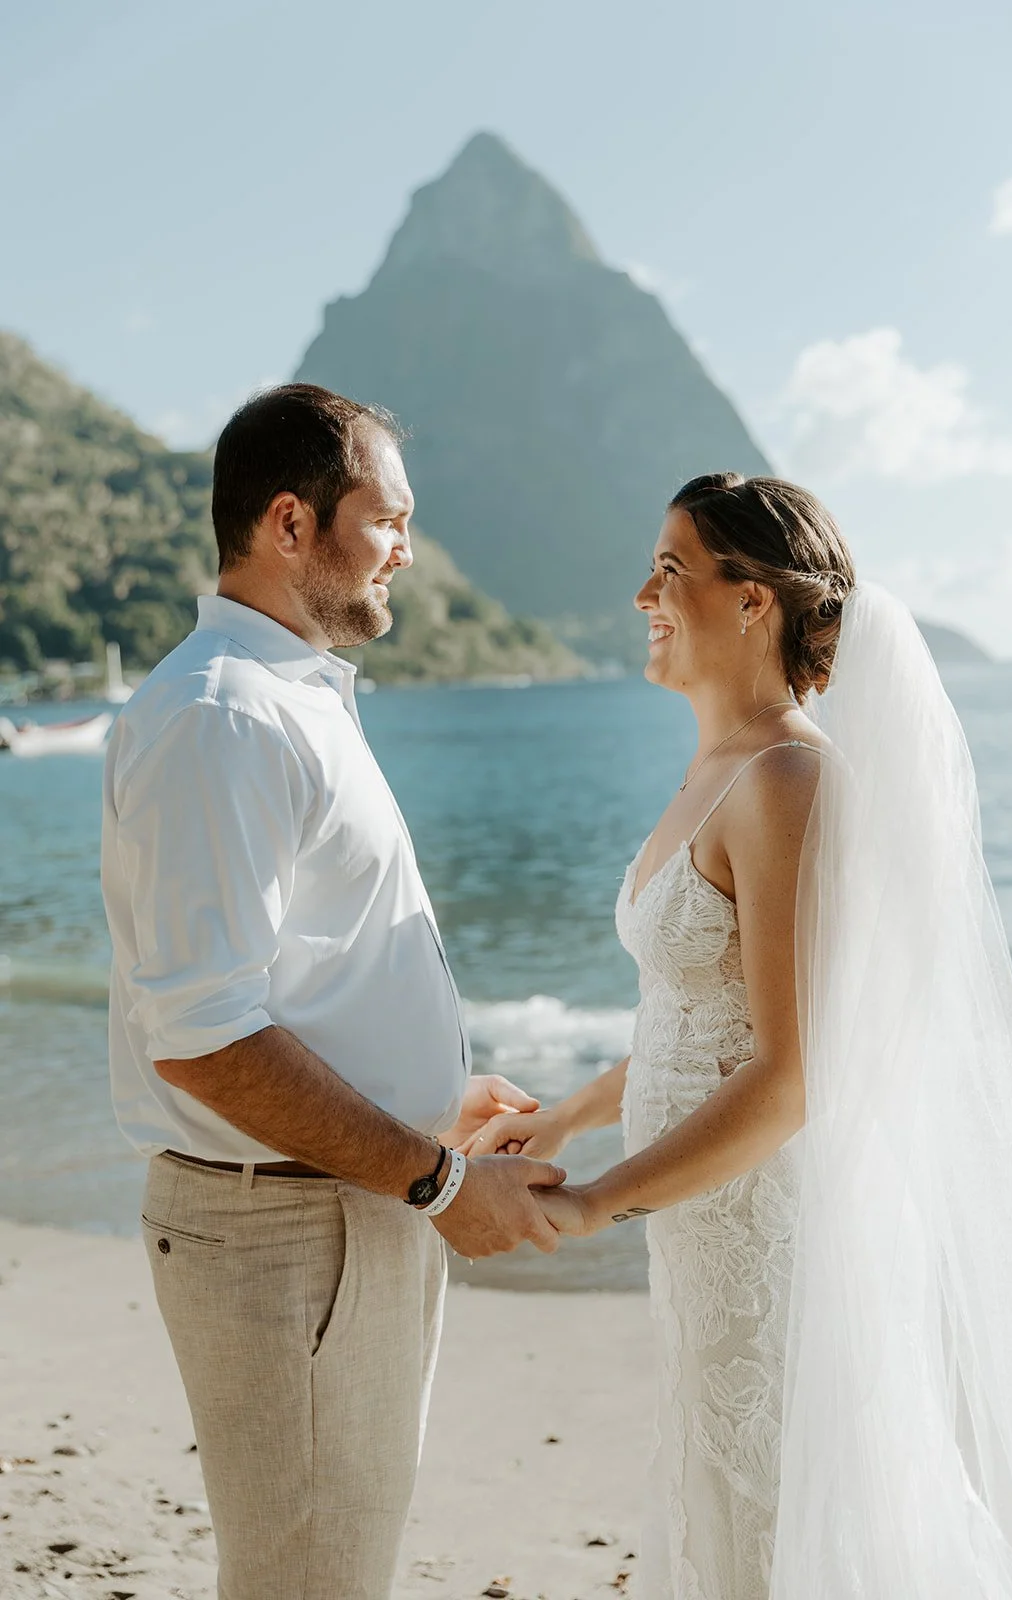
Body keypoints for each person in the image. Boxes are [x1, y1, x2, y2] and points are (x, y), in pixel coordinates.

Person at [469, 473, 1012, 1599]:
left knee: (779, 1518)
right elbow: (695, 1024)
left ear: (752, 602)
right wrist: (566, 1115)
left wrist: (598, 1197)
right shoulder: (710, 771)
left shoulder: (788, 776)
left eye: (670, 567)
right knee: (725, 1502)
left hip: (768, 1231)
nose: (640, 590)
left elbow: (791, 1076)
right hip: (700, 1233)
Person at [100, 383, 566, 1600]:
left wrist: (425, 1104)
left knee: (332, 1566)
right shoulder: (222, 716)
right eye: (388, 517)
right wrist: (437, 1178)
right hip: (290, 1229)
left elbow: (296, 974)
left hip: (341, 1201)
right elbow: (200, 1038)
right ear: (291, 522)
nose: (409, 547)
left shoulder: (287, 697)